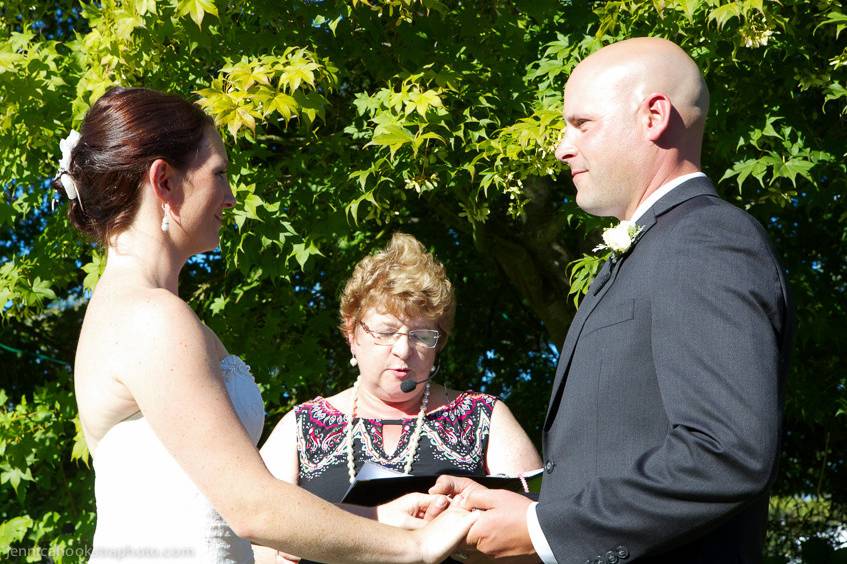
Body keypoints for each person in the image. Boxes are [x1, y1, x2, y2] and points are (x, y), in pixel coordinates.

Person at [60, 86, 477, 563]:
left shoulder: (137, 311)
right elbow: (252, 508)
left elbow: (223, 505)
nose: (231, 197)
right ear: (164, 182)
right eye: (219, 174)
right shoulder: (151, 318)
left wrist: (379, 517)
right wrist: (414, 547)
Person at [431, 37, 794, 563]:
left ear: (653, 116)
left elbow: (725, 452)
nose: (561, 147)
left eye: (581, 124)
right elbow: (619, 451)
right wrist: (520, 505)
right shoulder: (655, 247)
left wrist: (539, 528)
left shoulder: (707, 240)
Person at [254, 233, 542, 563]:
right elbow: (258, 540)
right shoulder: (301, 427)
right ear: (352, 334)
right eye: (386, 332)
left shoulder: (485, 417)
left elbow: (536, 537)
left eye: (421, 336)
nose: (403, 350)